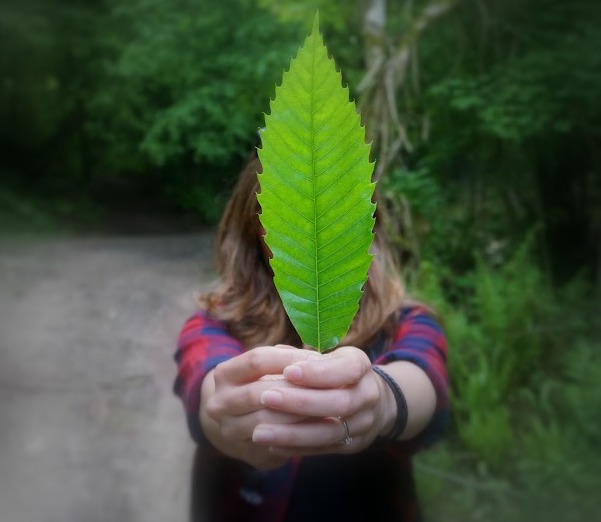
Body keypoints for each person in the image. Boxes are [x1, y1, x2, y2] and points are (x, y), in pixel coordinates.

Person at [174, 155, 449, 522]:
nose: (313, 230)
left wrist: (383, 400)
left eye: (339, 211)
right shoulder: (214, 324)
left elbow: (423, 380)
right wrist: (228, 411)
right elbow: (207, 384)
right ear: (253, 226)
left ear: (367, 226)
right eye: (286, 214)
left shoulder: (405, 322)